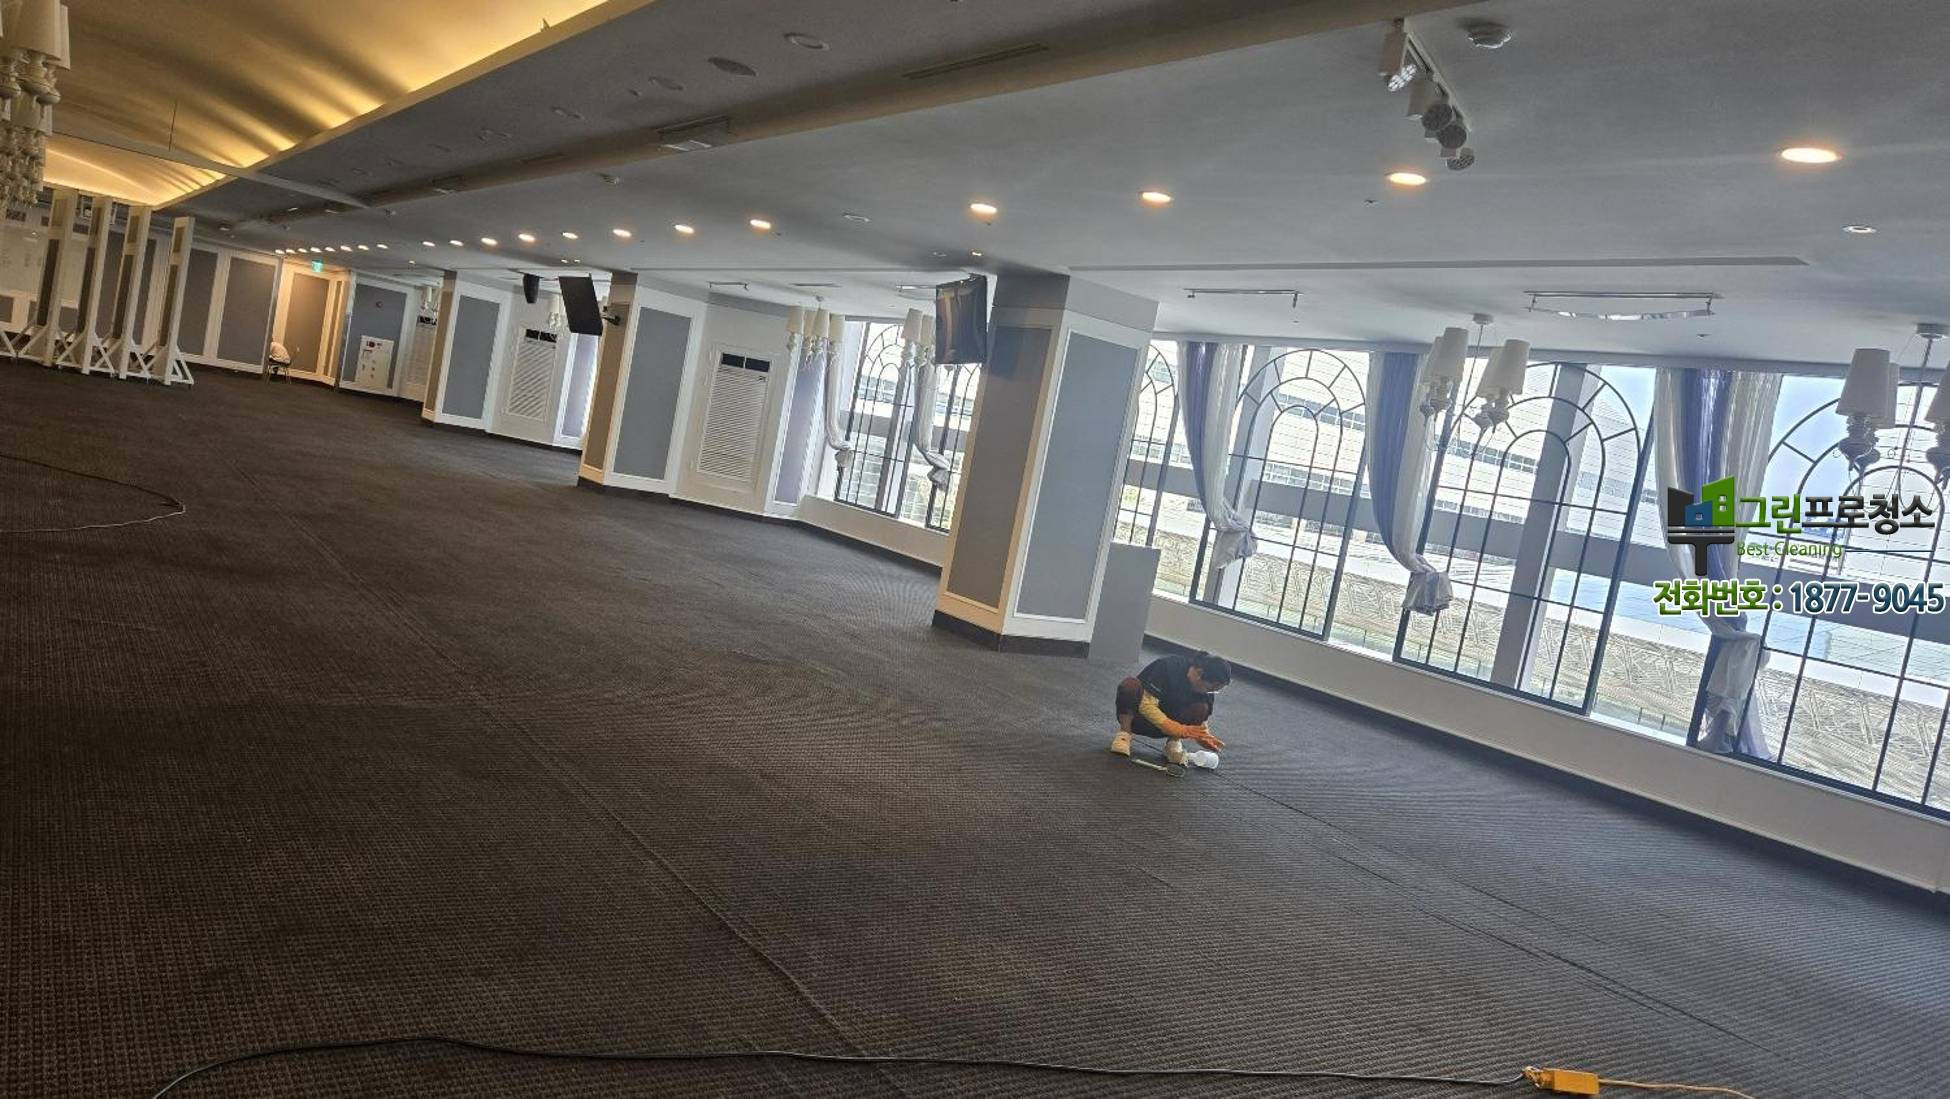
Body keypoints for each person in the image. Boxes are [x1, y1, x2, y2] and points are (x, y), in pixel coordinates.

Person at [1111, 651, 1230, 766]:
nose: (1209, 693)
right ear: (1199, 673)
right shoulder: (1166, 666)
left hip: (1167, 729)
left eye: (1215, 691)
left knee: (1202, 707)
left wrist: (1203, 736)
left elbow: (1203, 719)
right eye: (1210, 688)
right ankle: (1124, 734)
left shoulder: (1206, 690)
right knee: (1130, 685)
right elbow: (1146, 705)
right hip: (1138, 719)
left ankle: (1173, 743)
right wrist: (1174, 727)